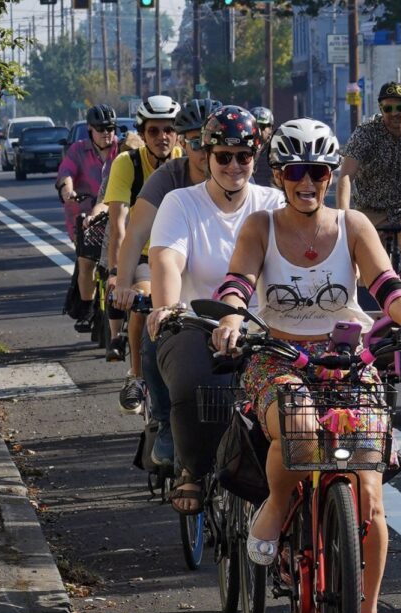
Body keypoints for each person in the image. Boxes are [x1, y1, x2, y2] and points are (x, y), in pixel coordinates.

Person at [210, 118, 401, 613]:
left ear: (330, 173)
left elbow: (388, 285)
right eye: (296, 171)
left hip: (348, 358)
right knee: (295, 415)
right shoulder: (260, 227)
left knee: (369, 497)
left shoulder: (354, 224)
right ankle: (274, 505)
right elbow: (237, 285)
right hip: (279, 357)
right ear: (279, 175)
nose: (307, 181)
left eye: (318, 171)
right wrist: (228, 320)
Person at [147, 106, 285, 515]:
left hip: (261, 326)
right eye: (223, 156)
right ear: (205, 156)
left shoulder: (273, 202)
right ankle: (190, 468)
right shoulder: (180, 203)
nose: (233, 165)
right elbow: (166, 260)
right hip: (195, 322)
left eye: (243, 155)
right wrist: (167, 308)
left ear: (255, 156)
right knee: (191, 385)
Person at [108, 98, 218, 468]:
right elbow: (134, 232)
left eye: (213, 143)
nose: (206, 153)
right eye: (196, 143)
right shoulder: (169, 179)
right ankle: (163, 416)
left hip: (227, 285)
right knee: (161, 322)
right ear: (184, 145)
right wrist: (121, 279)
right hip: (168, 272)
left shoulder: (247, 181)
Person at [105, 95, 183, 415]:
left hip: (183, 256)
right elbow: (119, 225)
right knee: (142, 300)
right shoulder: (128, 163)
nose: (162, 137)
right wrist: (116, 274)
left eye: (168, 130)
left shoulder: (189, 162)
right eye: (154, 131)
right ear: (143, 132)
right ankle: (136, 375)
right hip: (144, 255)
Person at [336, 81, 401, 286]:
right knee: (370, 260)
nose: (394, 113)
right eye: (388, 108)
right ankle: (373, 306)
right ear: (381, 109)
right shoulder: (365, 133)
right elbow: (346, 177)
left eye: (400, 107)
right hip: (370, 206)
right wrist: (343, 218)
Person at [56, 104, 119, 332]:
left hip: (116, 217)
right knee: (87, 264)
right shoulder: (77, 150)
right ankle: (86, 310)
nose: (107, 133)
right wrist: (68, 192)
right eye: (101, 129)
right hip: (83, 219)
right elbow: (66, 174)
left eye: (110, 128)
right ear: (90, 130)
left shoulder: (123, 150)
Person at [250, 106, 276, 188]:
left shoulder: (276, 150)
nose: (259, 130)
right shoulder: (242, 147)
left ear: (271, 128)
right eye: (255, 126)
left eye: (263, 126)